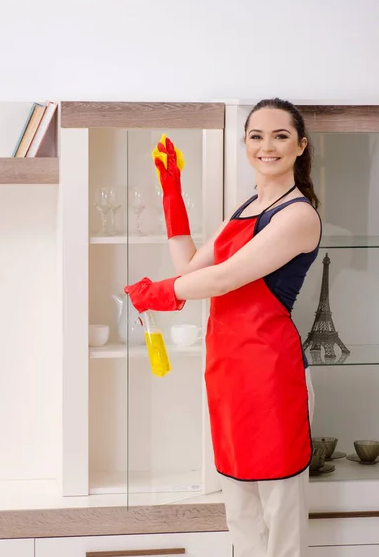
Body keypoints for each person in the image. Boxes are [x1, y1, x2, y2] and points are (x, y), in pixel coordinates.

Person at [125, 98, 321, 557]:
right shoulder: (247, 205)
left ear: (300, 146)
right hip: (228, 372)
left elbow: (226, 277)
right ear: (245, 144)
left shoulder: (298, 215)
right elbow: (192, 265)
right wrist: (171, 190)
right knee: (241, 514)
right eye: (256, 136)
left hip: (274, 378)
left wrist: (161, 293)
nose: (266, 146)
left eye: (280, 136)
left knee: (281, 517)